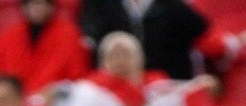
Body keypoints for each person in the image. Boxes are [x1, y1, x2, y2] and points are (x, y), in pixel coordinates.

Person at [59, 32, 170, 106]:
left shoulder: (157, 83)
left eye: (126, 54)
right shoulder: (91, 88)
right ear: (103, 62)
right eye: (113, 55)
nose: (120, 60)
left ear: (139, 57)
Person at [79, 0, 234, 80]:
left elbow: (204, 32)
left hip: (167, 87)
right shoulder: (102, 6)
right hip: (119, 91)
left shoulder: (173, 7)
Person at [0, 0, 92, 94]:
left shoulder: (69, 35)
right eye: (33, 3)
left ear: (51, 7)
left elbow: (78, 78)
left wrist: (54, 92)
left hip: (53, 104)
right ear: (24, 7)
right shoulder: (9, 35)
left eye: (43, 3)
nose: (38, 8)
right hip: (12, 100)